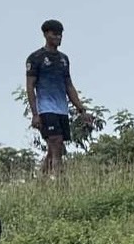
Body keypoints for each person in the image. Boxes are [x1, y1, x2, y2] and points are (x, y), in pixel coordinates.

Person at [25, 19, 91, 177]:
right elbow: (30, 86)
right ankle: (59, 181)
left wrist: (81, 110)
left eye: (60, 35)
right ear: (46, 34)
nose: (58, 38)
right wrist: (35, 114)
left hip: (62, 109)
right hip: (45, 109)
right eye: (55, 34)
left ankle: (40, 182)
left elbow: (69, 85)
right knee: (56, 142)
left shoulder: (64, 59)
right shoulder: (35, 58)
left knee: (56, 147)